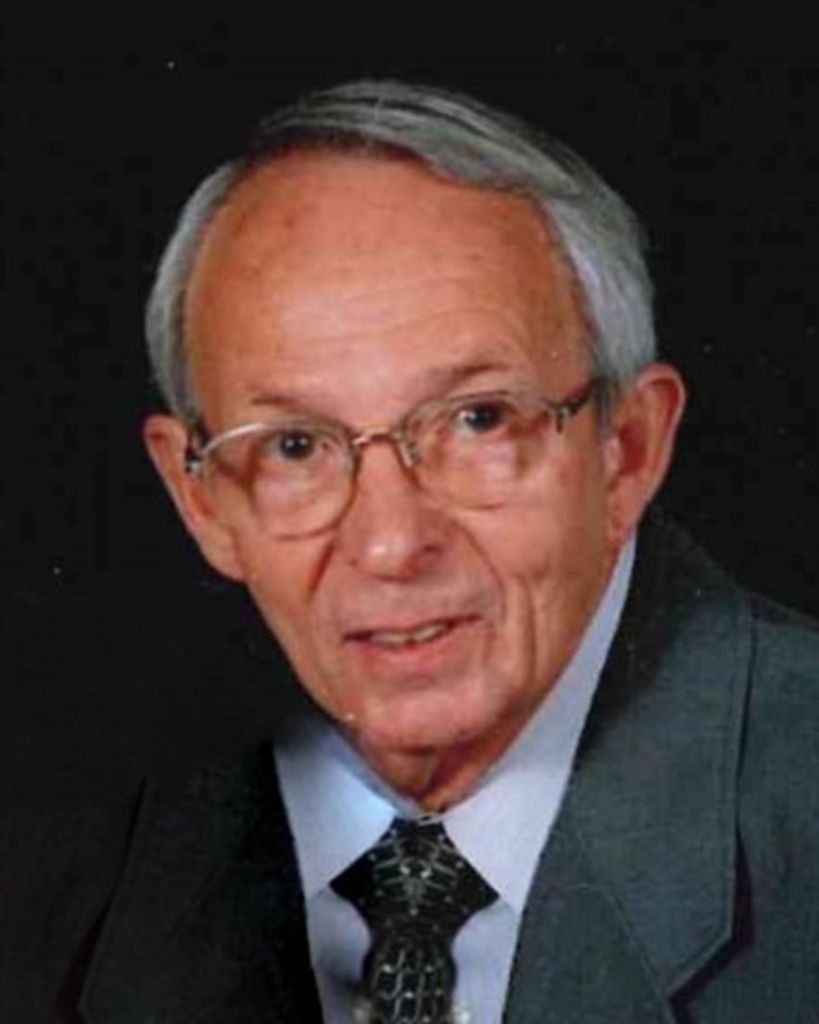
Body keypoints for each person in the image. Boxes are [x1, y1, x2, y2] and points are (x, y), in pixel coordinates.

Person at [5, 80, 818, 1023]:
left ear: (626, 449)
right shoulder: (63, 858)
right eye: (295, 446)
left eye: (478, 421)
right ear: (201, 499)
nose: (391, 544)